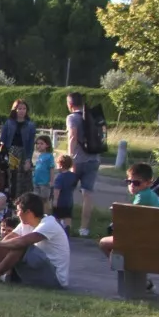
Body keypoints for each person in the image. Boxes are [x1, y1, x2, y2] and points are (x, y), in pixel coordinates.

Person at [0, 193, 71, 288]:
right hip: (38, 271)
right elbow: (7, 239)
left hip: (54, 278)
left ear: (28, 212)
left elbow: (22, 242)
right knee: (10, 242)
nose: (16, 214)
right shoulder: (25, 224)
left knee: (20, 244)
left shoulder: (49, 224)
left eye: (18, 210)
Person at [99, 162, 159, 259]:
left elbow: (130, 215)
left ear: (149, 183)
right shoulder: (149, 194)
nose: (132, 185)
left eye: (136, 183)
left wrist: (118, 211)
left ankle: (122, 266)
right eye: (129, 182)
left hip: (146, 239)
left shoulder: (143, 195)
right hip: (154, 235)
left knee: (103, 243)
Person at [65, 91, 100, 237]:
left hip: (77, 160)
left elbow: (73, 136)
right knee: (87, 194)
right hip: (94, 159)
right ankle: (84, 228)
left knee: (67, 191)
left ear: (70, 104)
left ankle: (67, 225)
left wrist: (69, 156)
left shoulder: (72, 117)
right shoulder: (92, 115)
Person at [0, 99, 36, 196]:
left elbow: (31, 145)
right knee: (10, 177)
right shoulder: (9, 123)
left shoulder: (30, 125)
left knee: (23, 179)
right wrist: (1, 155)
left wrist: (28, 160)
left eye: (24, 109)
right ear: (15, 110)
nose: (22, 111)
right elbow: (2, 140)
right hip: (10, 152)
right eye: (19, 108)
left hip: (23, 153)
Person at [51, 154, 78, 232]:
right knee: (67, 216)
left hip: (60, 201)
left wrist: (55, 200)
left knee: (57, 217)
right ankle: (67, 229)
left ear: (61, 165)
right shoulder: (73, 176)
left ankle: (58, 231)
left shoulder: (60, 177)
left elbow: (57, 190)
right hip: (69, 201)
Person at [31, 134, 55, 199]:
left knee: (44, 200)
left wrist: (52, 181)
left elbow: (52, 169)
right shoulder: (39, 156)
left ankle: (45, 209)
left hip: (44, 183)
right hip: (36, 182)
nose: (39, 146)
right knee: (36, 200)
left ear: (47, 145)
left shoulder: (49, 156)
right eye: (37, 144)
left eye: (41, 144)